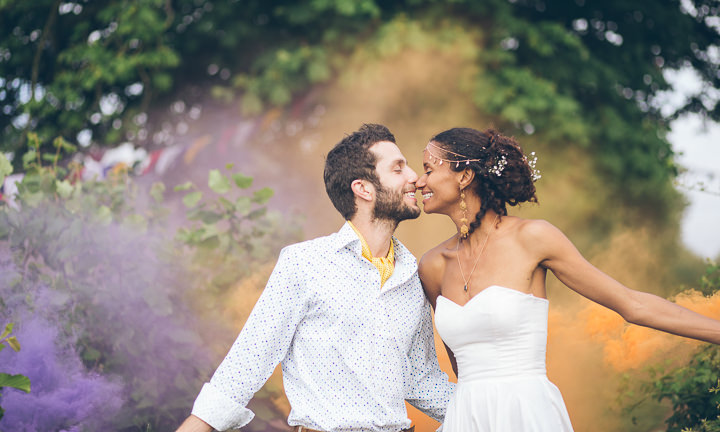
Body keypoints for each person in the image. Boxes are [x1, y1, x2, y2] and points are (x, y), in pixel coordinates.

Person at [415, 127, 720, 432]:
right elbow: (459, 365)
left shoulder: (532, 238)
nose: (418, 181)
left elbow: (633, 304)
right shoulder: (432, 266)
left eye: (428, 169)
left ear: (464, 176)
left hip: (527, 414)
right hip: (465, 418)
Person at [175, 124, 455, 432]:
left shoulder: (411, 276)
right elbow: (249, 360)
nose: (414, 177)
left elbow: (422, 378)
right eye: (398, 168)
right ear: (363, 188)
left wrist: (496, 406)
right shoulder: (304, 264)